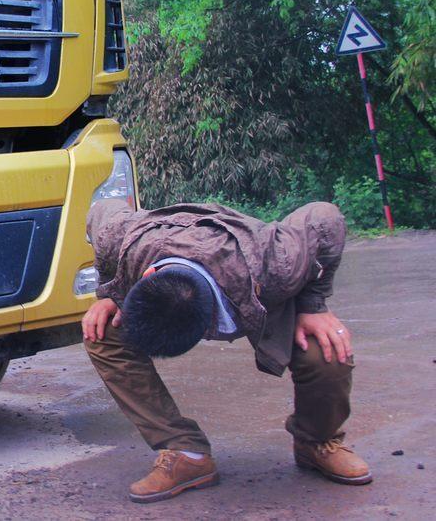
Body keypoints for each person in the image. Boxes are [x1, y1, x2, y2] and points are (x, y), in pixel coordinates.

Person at [82, 200, 371, 504]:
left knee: (325, 347)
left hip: (251, 279)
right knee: (101, 330)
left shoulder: (277, 263)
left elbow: (323, 216)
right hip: (163, 241)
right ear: (145, 276)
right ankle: (186, 453)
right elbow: (103, 208)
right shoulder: (118, 239)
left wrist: (314, 305)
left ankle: (317, 442)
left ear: (212, 324)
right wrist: (111, 291)